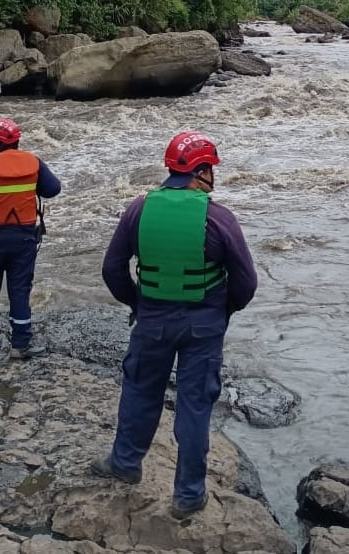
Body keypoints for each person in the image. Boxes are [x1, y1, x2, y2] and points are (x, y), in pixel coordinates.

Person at [93, 131, 257, 519]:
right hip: (204, 327)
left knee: (139, 392)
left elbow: (112, 269)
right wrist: (222, 311)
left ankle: (125, 463)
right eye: (211, 169)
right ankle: (188, 495)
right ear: (200, 171)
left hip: (151, 321)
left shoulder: (138, 209)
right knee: (195, 405)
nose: (213, 175)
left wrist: (138, 301)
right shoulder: (219, 218)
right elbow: (246, 282)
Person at [0, 118, 61, 359]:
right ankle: (20, 345)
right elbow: (53, 189)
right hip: (24, 238)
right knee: (19, 290)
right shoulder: (34, 162)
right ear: (17, 140)